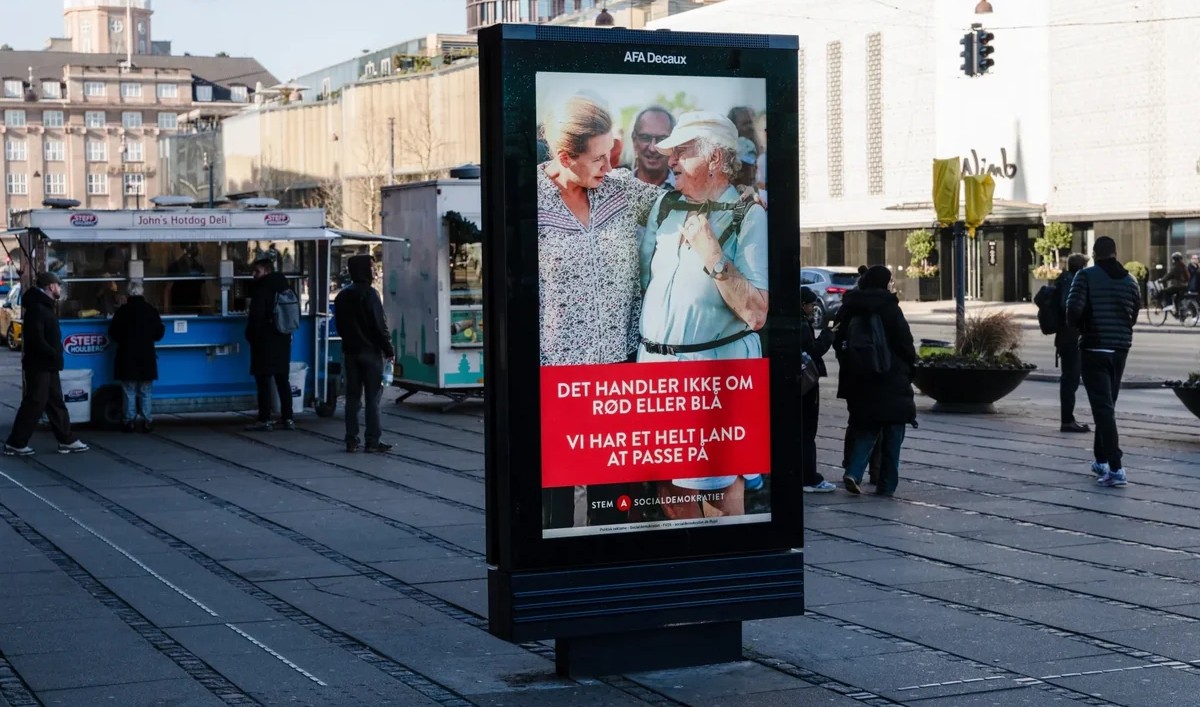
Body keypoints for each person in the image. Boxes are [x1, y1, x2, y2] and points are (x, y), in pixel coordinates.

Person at [537, 92, 664, 528]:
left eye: (612, 153)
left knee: (615, 499)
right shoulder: (528, 200)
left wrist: (743, 204)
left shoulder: (623, 190)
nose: (611, 166)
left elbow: (680, 207)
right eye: (598, 159)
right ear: (565, 156)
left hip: (617, 371)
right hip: (556, 373)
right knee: (551, 503)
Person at [638, 111, 769, 519]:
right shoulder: (664, 203)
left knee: (722, 488)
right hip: (658, 370)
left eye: (681, 151)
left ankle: (725, 574)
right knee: (667, 485)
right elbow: (646, 279)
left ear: (714, 159)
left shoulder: (750, 216)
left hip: (715, 371)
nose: (670, 160)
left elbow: (757, 311)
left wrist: (712, 253)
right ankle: (687, 569)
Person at [834, 265, 916, 496]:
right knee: (893, 432)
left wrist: (853, 364)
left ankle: (854, 471)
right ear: (885, 283)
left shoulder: (850, 306)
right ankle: (886, 484)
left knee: (866, 427)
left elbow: (837, 339)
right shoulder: (889, 307)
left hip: (859, 378)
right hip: (891, 376)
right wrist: (909, 367)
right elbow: (904, 341)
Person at [1066, 236, 1141, 487]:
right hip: (1120, 349)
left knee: (1103, 409)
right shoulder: (1131, 280)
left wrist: (1081, 328)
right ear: (1115, 253)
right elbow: (1134, 314)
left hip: (1094, 347)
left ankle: (1116, 467)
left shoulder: (1085, 276)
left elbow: (1073, 309)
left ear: (1095, 254)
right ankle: (1100, 460)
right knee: (1107, 406)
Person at [3, 272, 89, 456]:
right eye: (58, 285)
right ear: (51, 287)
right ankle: (16, 442)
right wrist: (53, 353)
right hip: (40, 364)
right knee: (35, 402)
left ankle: (67, 439)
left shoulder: (44, 307)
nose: (59, 289)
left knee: (55, 401)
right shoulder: (38, 309)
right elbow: (37, 339)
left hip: (47, 364)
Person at [334, 255, 395, 453]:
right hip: (370, 352)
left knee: (352, 398)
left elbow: (340, 326)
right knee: (373, 398)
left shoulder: (342, 296)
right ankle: (372, 440)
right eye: (371, 267)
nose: (374, 271)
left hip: (350, 352)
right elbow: (379, 326)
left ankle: (351, 439)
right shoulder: (370, 294)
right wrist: (388, 349)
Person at [244, 256, 295, 431]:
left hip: (264, 341)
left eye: (257, 271)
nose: (254, 275)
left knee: (263, 381)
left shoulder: (262, 289)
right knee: (283, 380)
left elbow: (256, 318)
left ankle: (264, 418)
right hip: (283, 339)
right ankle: (288, 417)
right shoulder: (285, 287)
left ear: (266, 271)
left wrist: (251, 336)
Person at [108, 282, 165, 433]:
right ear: (142, 293)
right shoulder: (151, 310)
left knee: (129, 390)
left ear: (128, 294)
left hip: (126, 356)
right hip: (146, 356)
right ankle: (147, 421)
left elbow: (113, 333)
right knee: (146, 391)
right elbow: (159, 334)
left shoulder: (122, 311)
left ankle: (129, 421)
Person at [799, 288, 836, 492]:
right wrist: (827, 336)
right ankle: (810, 478)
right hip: (807, 386)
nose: (814, 308)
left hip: (798, 385)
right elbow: (814, 351)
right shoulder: (803, 325)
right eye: (811, 304)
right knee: (808, 432)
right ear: (802, 304)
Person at [1055, 254, 1091, 433]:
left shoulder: (1065, 279)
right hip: (1070, 336)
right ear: (1081, 267)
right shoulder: (1072, 281)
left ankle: (1068, 419)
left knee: (1070, 378)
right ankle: (1067, 420)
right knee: (1070, 378)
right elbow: (1067, 306)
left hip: (1066, 335)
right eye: (1085, 266)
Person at [629, 106, 676, 187]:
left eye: (662, 139)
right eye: (645, 138)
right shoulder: (615, 190)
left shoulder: (687, 192)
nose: (652, 149)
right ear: (634, 140)